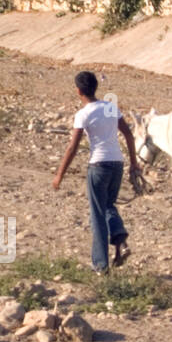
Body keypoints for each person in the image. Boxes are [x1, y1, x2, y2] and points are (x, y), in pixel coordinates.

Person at [52, 70, 143, 273]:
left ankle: (101, 265)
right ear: (95, 87)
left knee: (98, 214)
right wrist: (134, 163)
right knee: (109, 205)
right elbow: (128, 135)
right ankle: (119, 235)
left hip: (98, 166)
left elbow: (72, 148)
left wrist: (60, 174)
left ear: (78, 91)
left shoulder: (83, 114)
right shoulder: (110, 107)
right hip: (117, 164)